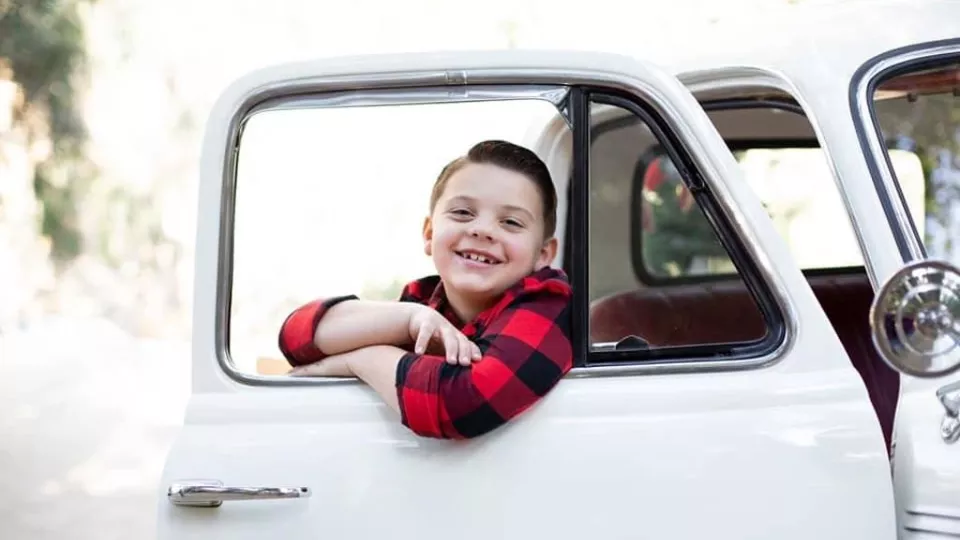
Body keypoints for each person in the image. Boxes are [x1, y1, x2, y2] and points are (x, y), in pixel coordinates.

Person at [277, 140, 573, 440]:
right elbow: (297, 339)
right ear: (430, 233)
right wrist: (408, 318)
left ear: (543, 255)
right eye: (462, 213)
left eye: (510, 222)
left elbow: (461, 403)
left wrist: (359, 360)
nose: (482, 230)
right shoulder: (424, 299)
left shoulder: (548, 303)